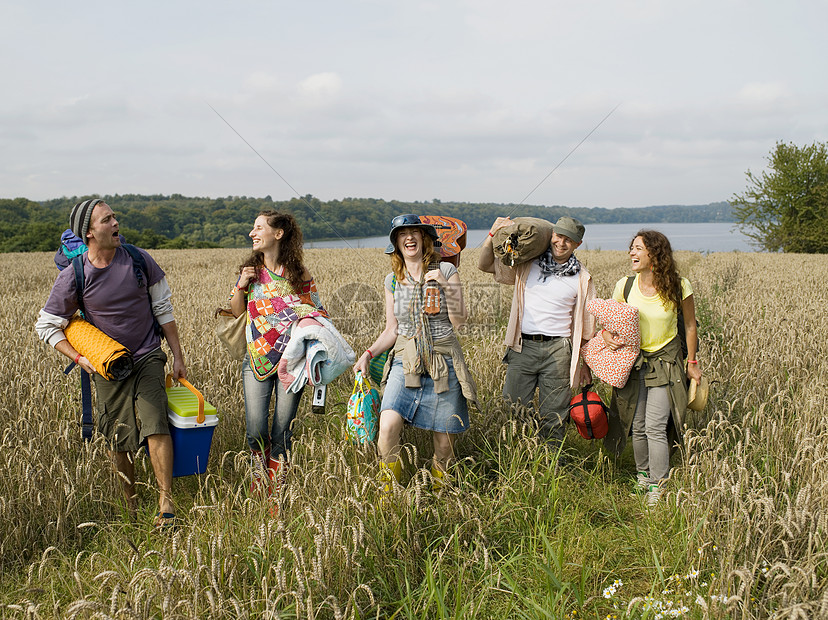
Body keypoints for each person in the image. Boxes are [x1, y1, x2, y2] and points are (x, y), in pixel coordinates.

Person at [36, 198, 187, 526]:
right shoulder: (76, 274)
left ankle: (166, 504)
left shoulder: (137, 259)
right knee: (118, 436)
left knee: (155, 423)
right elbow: (46, 325)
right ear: (89, 233)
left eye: (115, 217)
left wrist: (177, 354)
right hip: (108, 365)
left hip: (147, 354)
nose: (116, 223)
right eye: (108, 220)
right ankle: (130, 507)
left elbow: (163, 307)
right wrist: (78, 357)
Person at [353, 214, 476, 493]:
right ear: (396, 243)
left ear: (425, 239)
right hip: (405, 361)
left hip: (442, 361)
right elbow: (391, 330)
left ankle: (439, 494)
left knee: (444, 443)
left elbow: (460, 321)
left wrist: (444, 286)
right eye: (402, 234)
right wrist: (368, 354)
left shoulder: (446, 270)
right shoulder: (392, 280)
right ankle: (389, 492)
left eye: (414, 232)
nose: (409, 237)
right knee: (388, 424)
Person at [478, 216, 596, 465]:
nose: (561, 243)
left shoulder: (582, 278)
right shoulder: (526, 264)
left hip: (559, 350)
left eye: (569, 240)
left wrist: (586, 364)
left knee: (555, 412)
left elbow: (587, 326)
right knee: (513, 405)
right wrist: (492, 234)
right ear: (551, 235)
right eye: (558, 236)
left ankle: (552, 465)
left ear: (578, 244)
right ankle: (518, 458)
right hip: (523, 346)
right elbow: (485, 264)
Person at [229, 210, 328, 496]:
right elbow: (237, 312)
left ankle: (277, 491)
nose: (252, 233)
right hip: (256, 360)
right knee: (255, 429)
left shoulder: (298, 274)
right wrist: (241, 285)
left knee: (282, 431)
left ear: (278, 234)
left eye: (258, 227)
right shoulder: (250, 273)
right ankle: (259, 484)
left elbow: (318, 311)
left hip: (292, 363)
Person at [602, 230, 701, 506]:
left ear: (654, 254)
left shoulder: (679, 286)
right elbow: (612, 323)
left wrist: (692, 362)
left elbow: (690, 325)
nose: (632, 253)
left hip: (665, 363)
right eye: (631, 248)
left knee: (656, 426)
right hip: (633, 364)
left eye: (638, 249)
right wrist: (608, 335)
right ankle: (642, 477)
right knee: (638, 424)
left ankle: (658, 485)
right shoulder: (624, 286)